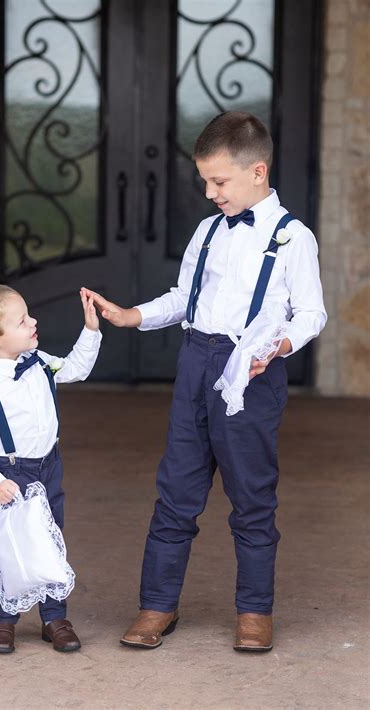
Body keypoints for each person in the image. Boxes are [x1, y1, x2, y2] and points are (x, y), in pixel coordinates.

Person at [82, 111, 326, 652]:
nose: (211, 193)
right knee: (176, 490)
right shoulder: (208, 230)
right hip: (196, 362)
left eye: (219, 182)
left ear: (257, 171)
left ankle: (255, 611)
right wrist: (132, 316)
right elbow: (183, 300)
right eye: (206, 182)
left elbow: (310, 314)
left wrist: (278, 346)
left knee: (252, 496)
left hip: (252, 372)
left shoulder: (293, 239)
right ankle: (156, 605)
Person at [0, 284, 101, 654]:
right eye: (22, 320)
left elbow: (78, 369)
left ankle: (55, 618)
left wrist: (91, 330)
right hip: (9, 473)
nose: (33, 321)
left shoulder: (40, 363)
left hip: (49, 465)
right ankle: (1, 621)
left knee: (52, 541)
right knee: (9, 548)